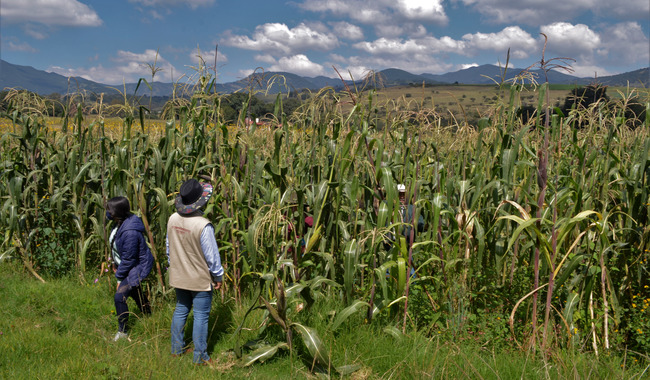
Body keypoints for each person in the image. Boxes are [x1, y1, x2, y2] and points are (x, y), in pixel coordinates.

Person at [167, 179, 224, 365]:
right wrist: (218, 276)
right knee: (200, 315)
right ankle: (200, 356)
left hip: (178, 275)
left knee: (181, 309)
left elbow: (169, 249)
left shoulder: (172, 219)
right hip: (199, 279)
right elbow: (212, 257)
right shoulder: (203, 225)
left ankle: (176, 349)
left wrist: (174, 267)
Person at [106, 196, 154, 342]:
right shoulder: (120, 223)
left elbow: (129, 259)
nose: (107, 212)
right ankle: (149, 317)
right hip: (127, 266)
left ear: (117, 212)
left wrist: (119, 277)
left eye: (109, 210)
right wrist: (115, 263)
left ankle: (122, 332)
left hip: (136, 267)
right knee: (135, 290)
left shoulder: (130, 232)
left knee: (120, 296)